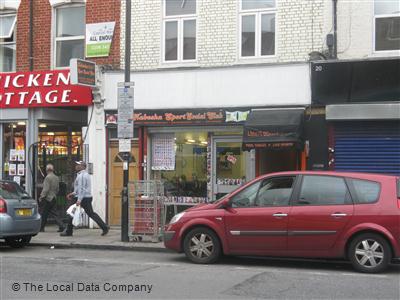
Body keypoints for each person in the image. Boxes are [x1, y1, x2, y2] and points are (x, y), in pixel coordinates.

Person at [60, 161, 109, 236]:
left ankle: (68, 231)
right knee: (90, 213)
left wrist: (79, 200)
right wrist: (73, 193)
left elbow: (82, 189)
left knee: (72, 213)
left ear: (82, 166)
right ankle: (104, 227)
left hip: (82, 198)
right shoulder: (84, 175)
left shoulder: (82, 176)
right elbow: (80, 188)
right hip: (86, 197)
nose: (76, 166)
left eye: (78, 165)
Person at [39, 164, 64, 232]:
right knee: (54, 213)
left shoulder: (47, 177)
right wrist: (54, 194)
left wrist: (41, 196)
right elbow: (57, 189)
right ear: (52, 170)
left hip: (48, 198)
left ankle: (41, 227)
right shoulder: (56, 177)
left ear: (47, 170)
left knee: (44, 213)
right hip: (54, 197)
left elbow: (46, 189)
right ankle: (62, 226)